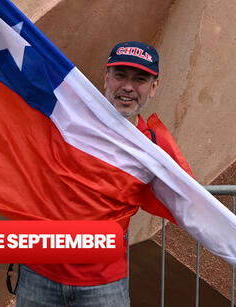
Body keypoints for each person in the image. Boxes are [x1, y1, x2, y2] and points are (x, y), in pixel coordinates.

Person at [15, 41, 194, 307]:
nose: (128, 87)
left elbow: (191, 203)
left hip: (103, 285)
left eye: (140, 79)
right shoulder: (67, 118)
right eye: (120, 75)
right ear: (106, 78)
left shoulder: (155, 146)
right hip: (39, 276)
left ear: (153, 87)